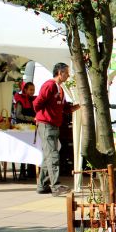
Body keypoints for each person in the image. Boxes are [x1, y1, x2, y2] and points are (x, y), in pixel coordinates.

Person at [33, 62, 79, 196]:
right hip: (47, 125)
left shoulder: (60, 88)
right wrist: (42, 115)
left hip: (53, 125)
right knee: (53, 155)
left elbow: (65, 108)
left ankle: (42, 185)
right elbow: (37, 103)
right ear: (60, 73)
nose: (68, 75)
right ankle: (56, 186)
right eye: (66, 72)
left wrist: (78, 106)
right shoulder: (49, 85)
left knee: (49, 156)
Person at [13, 82, 37, 179]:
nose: (32, 91)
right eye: (30, 89)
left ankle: (31, 170)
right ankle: (22, 170)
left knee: (32, 148)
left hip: (32, 128)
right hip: (22, 128)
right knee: (23, 148)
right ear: (25, 90)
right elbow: (18, 115)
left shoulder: (34, 99)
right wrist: (31, 119)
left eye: (33, 89)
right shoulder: (20, 100)